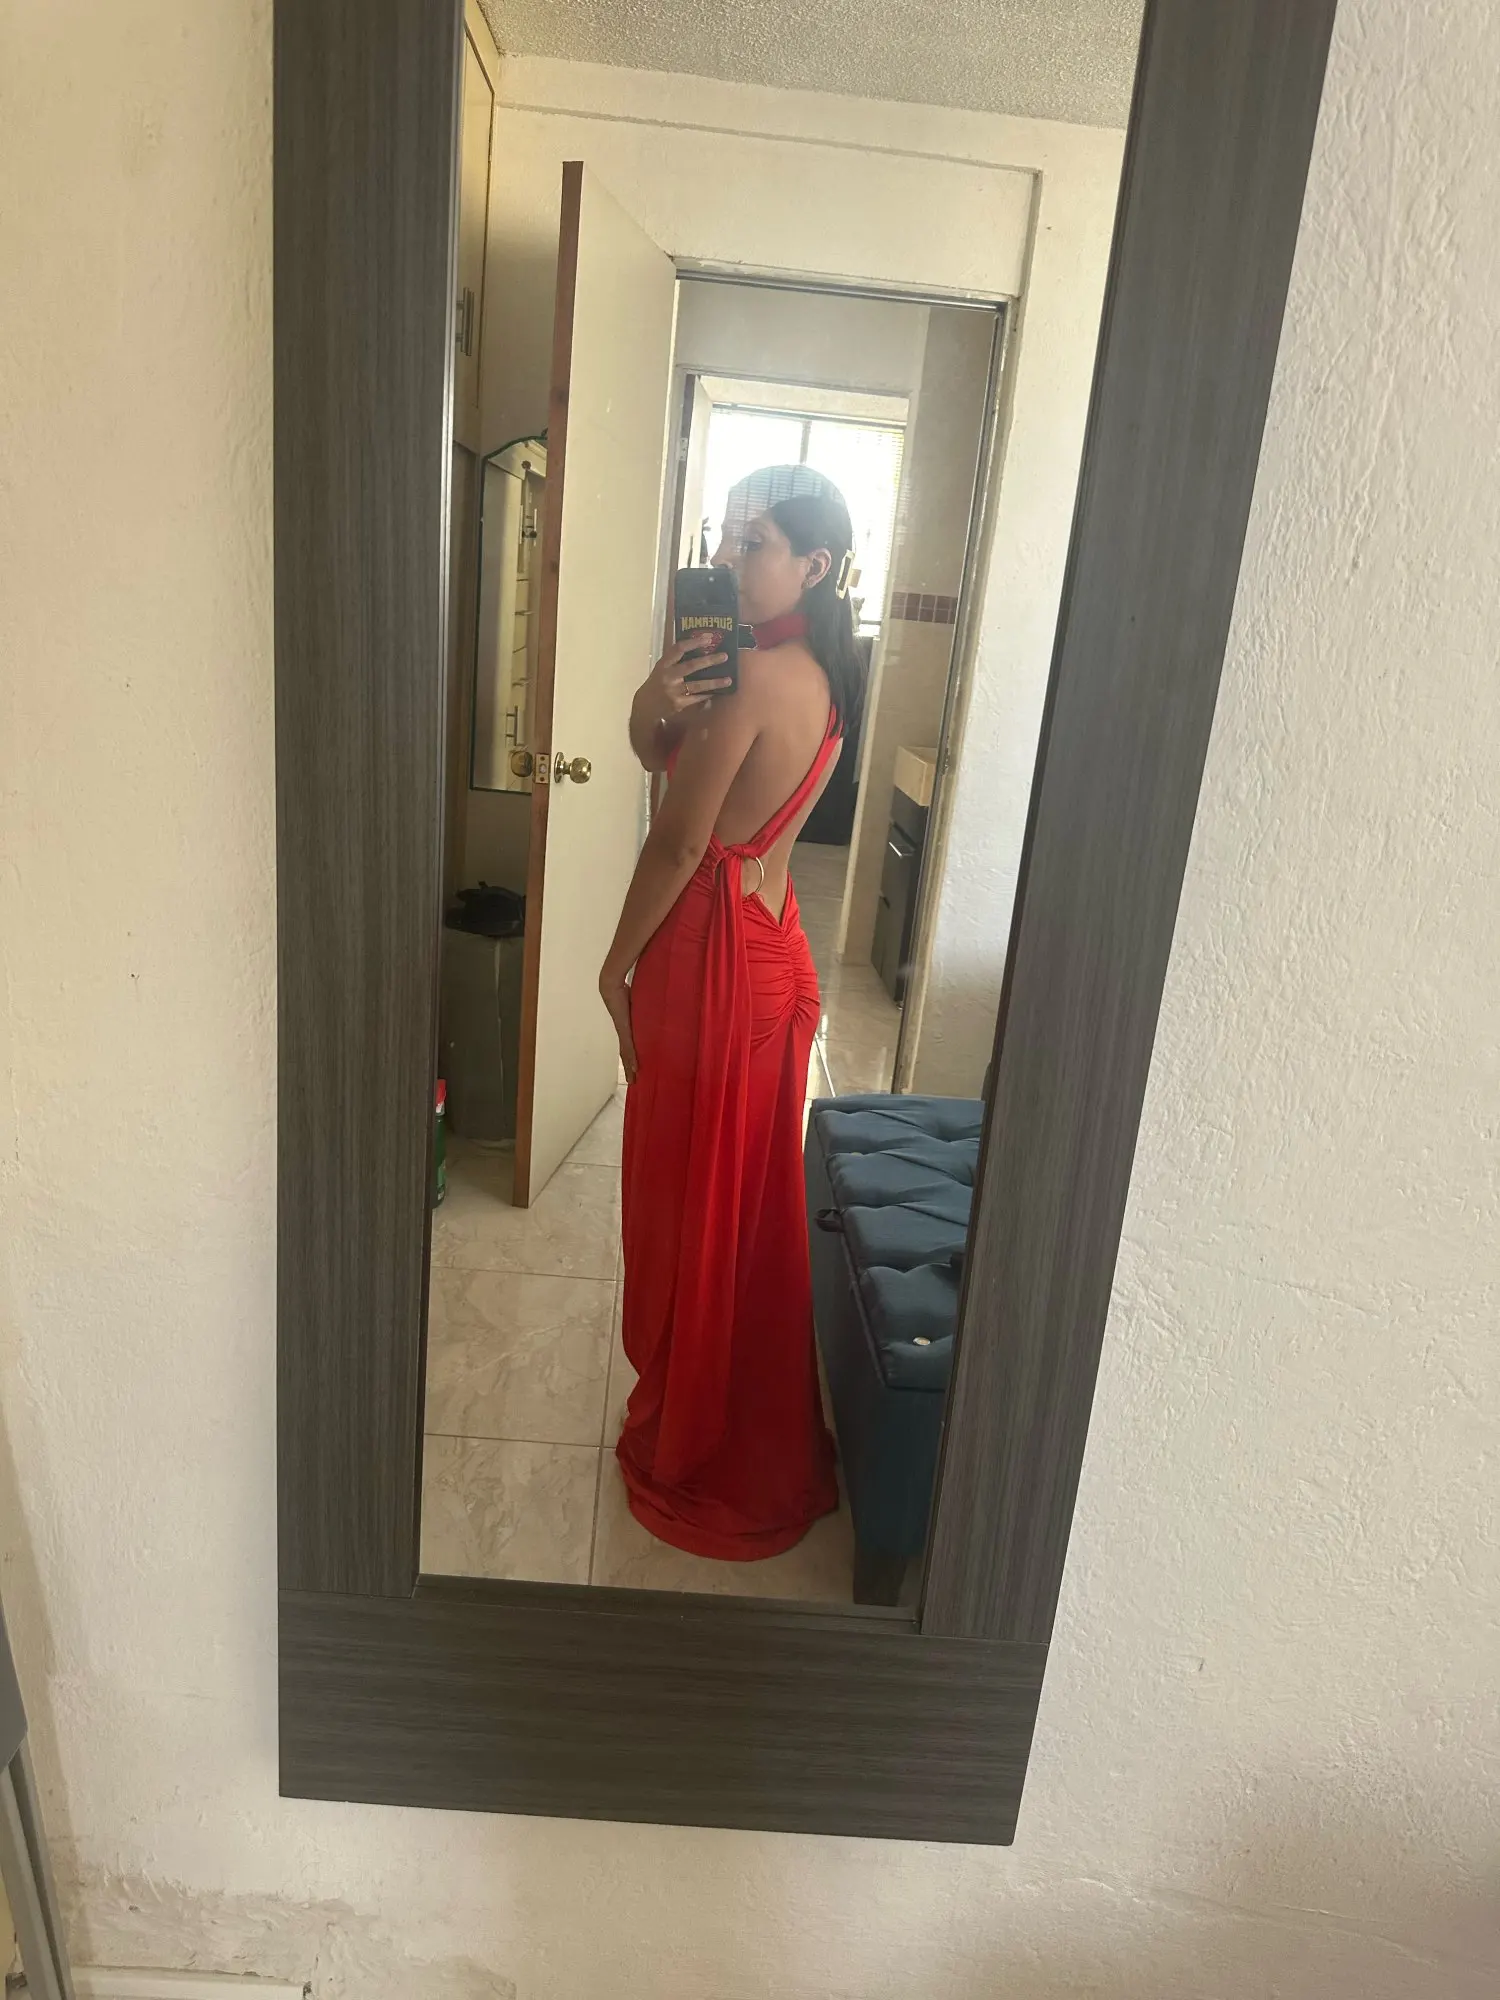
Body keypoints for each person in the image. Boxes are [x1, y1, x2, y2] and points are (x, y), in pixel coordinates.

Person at [598, 465, 864, 1560]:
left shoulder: (756, 675)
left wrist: (613, 970)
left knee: (690, 1204)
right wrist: (649, 706)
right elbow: (675, 768)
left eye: (755, 543)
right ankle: (739, 1413)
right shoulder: (821, 677)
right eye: (729, 536)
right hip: (775, 954)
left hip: (712, 959)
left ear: (812, 564)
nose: (730, 556)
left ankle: (700, 1432)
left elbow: (677, 841)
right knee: (743, 1212)